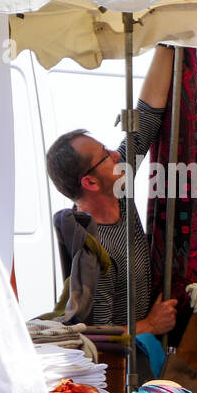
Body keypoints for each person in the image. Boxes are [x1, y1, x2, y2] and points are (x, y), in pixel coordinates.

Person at [44, 45, 178, 341]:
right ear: (90, 183)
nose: (117, 156)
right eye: (106, 155)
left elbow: (145, 121)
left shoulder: (117, 188)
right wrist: (152, 325)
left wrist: (167, 40)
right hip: (121, 369)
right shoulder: (94, 249)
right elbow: (96, 333)